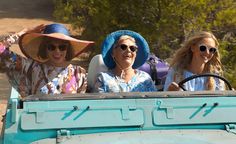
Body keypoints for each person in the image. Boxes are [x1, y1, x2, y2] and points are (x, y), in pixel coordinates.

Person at [0, 23, 94, 97]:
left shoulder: (78, 73)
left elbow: (81, 105)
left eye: (62, 47)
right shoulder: (31, 67)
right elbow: (1, 50)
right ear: (45, 48)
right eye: (51, 47)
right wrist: (22, 33)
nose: (57, 51)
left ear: (68, 49)